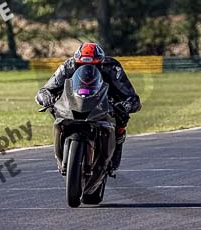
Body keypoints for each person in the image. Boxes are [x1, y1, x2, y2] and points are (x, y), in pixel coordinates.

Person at [35, 42, 141, 174]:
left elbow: (131, 96)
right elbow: (46, 89)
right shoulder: (68, 65)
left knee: (122, 118)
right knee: (54, 110)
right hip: (74, 102)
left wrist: (126, 104)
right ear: (76, 61)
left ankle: (116, 147)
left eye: (94, 65)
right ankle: (61, 151)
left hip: (105, 103)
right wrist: (47, 98)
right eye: (81, 65)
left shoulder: (112, 67)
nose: (87, 69)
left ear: (100, 62)